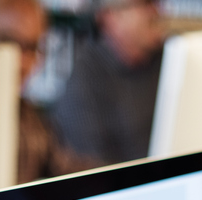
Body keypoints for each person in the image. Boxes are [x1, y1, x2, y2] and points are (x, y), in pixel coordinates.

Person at [50, 0, 163, 165]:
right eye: (146, 4)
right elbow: (97, 175)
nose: (156, 11)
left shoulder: (164, 61)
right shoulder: (84, 85)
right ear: (111, 17)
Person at [0, 0, 98, 184]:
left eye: (33, 47)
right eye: (9, 42)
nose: (22, 61)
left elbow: (66, 170)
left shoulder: (30, 118)